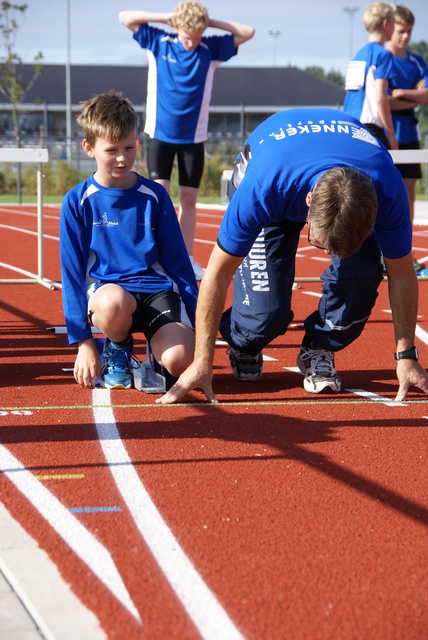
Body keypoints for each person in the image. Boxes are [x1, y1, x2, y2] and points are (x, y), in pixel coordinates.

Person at [157, 107, 428, 406]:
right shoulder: (263, 188)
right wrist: (202, 360)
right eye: (322, 244)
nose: (329, 255)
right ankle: (243, 341)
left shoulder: (387, 189)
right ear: (308, 202)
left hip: (340, 166)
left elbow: (402, 273)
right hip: (275, 164)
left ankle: (318, 346)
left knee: (363, 272)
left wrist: (406, 356)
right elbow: (218, 273)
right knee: (262, 320)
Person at [60, 91, 198, 390]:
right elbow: (71, 276)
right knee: (113, 303)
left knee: (180, 360)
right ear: (89, 148)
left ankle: (161, 354)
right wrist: (83, 343)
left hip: (156, 292)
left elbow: (178, 262)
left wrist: (198, 321)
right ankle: (118, 347)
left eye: (130, 147)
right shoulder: (77, 201)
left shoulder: (155, 196)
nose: (123, 158)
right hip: (110, 296)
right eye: (111, 150)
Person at [119, 1, 255, 281]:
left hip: (194, 138)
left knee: (189, 200)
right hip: (160, 134)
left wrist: (208, 24)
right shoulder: (159, 41)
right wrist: (167, 18)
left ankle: (186, 259)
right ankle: (154, 260)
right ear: (176, 28)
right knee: (158, 196)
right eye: (186, 35)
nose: (191, 41)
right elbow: (125, 17)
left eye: (196, 35)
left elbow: (248, 31)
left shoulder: (210, 49)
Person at [386, 4, 428, 271]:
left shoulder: (416, 61)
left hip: (410, 134)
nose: (406, 37)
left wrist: (400, 94)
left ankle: (405, 251)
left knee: (408, 191)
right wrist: (407, 96)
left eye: (410, 32)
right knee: (384, 191)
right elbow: (383, 101)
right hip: (386, 132)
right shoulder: (382, 59)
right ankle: (380, 252)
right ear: (389, 28)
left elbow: (426, 96)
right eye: (401, 31)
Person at [343, 2, 398, 149]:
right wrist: (391, 135)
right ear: (386, 23)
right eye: (394, 21)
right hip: (371, 128)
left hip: (350, 126)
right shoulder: (383, 55)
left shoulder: (357, 55)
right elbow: (381, 98)